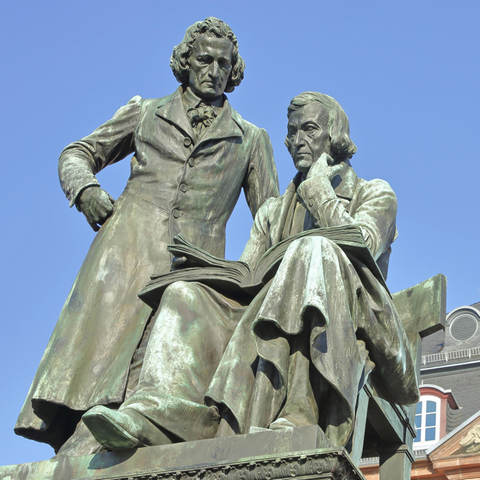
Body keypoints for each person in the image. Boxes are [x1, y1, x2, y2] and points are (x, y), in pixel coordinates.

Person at [82, 92, 419, 451]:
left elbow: (362, 243)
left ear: (335, 139)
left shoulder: (376, 193)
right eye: (292, 132)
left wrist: (320, 192)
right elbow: (249, 275)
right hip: (268, 309)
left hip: (349, 322)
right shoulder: (272, 211)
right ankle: (155, 414)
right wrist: (207, 270)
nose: (297, 140)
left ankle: (300, 411)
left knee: (312, 249)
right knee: (184, 293)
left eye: (309, 129)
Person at [15, 17, 279, 454]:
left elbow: (269, 216)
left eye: (223, 63)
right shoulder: (146, 112)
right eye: (204, 60)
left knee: (161, 356)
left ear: (234, 70)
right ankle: (82, 437)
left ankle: (126, 434)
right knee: (102, 349)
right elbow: (78, 152)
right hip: (126, 248)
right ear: (185, 62)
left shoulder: (252, 139)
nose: (213, 70)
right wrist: (85, 190)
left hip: (194, 262)